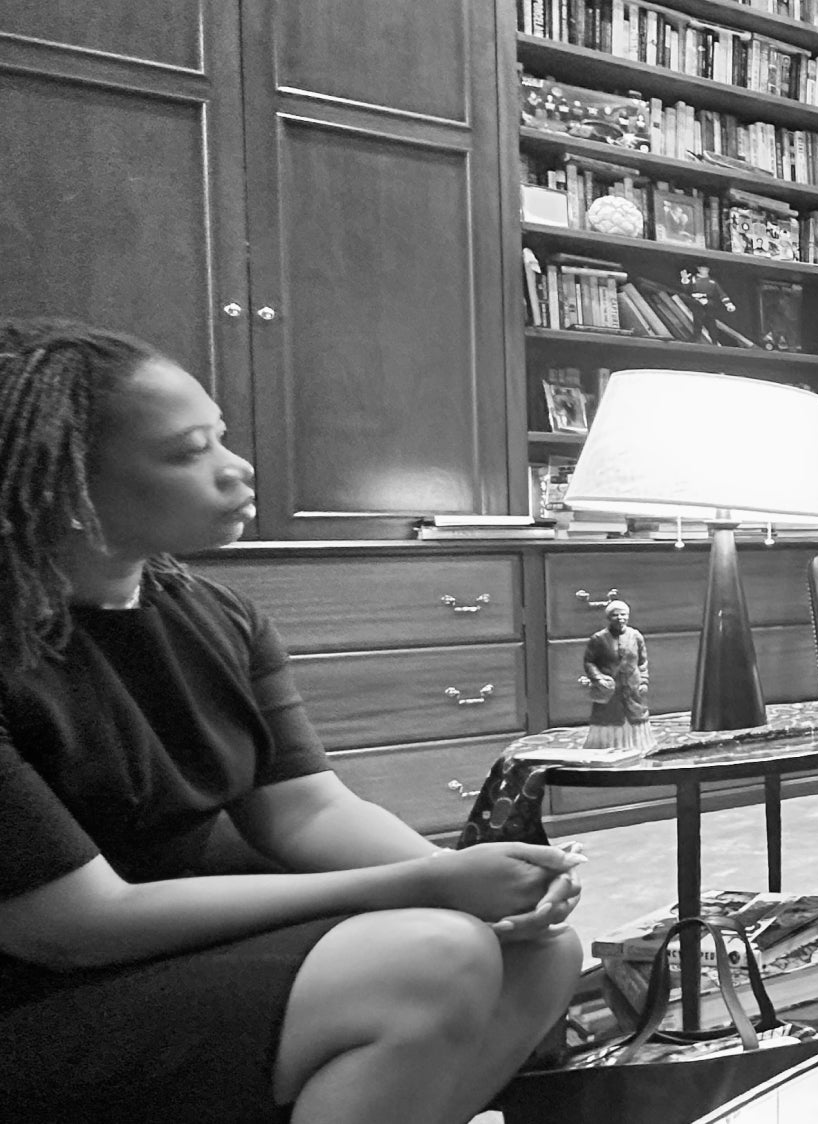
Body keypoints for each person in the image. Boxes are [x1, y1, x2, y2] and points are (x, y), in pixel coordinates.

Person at [0, 318, 586, 1124]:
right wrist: (422, 883)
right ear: (66, 488)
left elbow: (305, 809)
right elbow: (72, 928)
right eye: (188, 452)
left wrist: (481, 885)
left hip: (181, 943)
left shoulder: (218, 615)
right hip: (45, 993)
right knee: (432, 958)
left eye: (221, 436)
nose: (237, 467)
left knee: (538, 951)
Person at [579, 597, 652, 752]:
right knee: (608, 717)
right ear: (608, 617)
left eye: (623, 614)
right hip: (610, 689)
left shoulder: (636, 636)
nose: (620, 618)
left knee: (635, 714)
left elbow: (642, 661)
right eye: (615, 615)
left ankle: (637, 746)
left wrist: (644, 681)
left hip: (632, 687)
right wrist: (598, 679)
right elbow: (589, 662)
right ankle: (607, 746)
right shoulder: (598, 639)